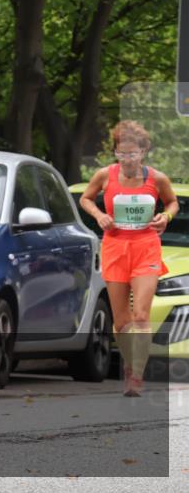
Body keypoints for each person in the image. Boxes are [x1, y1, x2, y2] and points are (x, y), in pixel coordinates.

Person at [79, 120, 179, 396]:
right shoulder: (104, 175)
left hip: (146, 247)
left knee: (141, 315)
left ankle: (136, 373)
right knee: (122, 322)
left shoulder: (157, 179)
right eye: (121, 153)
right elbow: (86, 199)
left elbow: (172, 202)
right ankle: (128, 362)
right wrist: (99, 215)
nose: (127, 159)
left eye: (132, 153)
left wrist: (165, 216)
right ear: (115, 152)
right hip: (115, 248)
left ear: (143, 152)